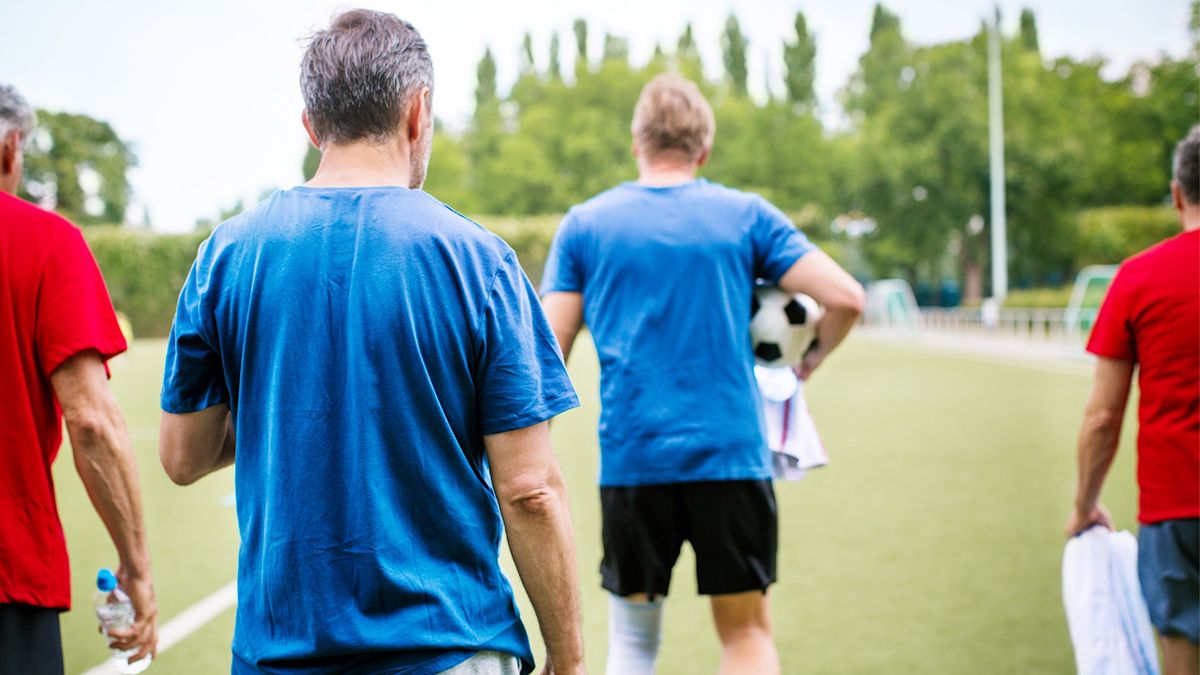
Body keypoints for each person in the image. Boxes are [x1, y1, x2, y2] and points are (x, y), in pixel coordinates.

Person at [157, 11, 585, 675]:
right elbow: (530, 489)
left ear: (311, 125)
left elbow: (183, 456)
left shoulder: (225, 255)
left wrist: (292, 400)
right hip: (448, 646)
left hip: (278, 655)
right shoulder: (481, 262)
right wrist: (569, 657)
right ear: (418, 112)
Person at [540, 74, 865, 675]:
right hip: (732, 459)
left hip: (634, 460)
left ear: (637, 143)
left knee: (633, 644)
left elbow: (545, 355)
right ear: (704, 151)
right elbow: (847, 299)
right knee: (746, 636)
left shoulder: (586, 224)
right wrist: (809, 359)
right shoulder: (746, 216)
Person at [0, 83, 157, 673]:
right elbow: (90, 420)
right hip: (9, 567)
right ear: (12, 147)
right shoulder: (45, 240)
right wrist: (135, 565)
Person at [1067, 125, 1200, 675]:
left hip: (1177, 512)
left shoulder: (1139, 277)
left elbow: (1103, 417)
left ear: (1176, 194)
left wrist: (1085, 504)